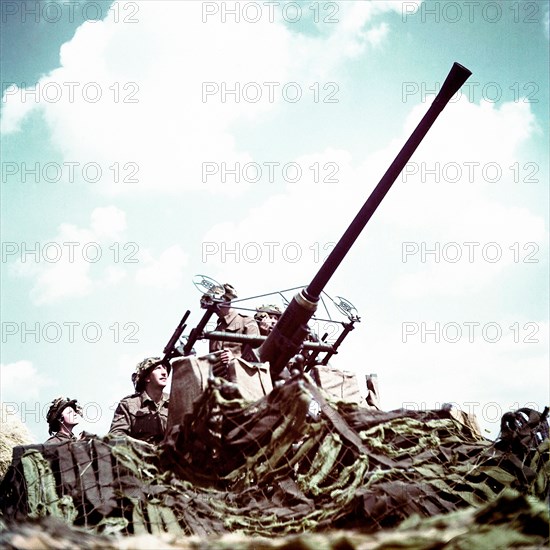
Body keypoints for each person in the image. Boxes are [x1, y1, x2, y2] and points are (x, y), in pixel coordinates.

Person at [109, 357, 170, 445]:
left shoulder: (174, 402)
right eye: (158, 368)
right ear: (147, 378)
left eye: (165, 368)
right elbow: (116, 436)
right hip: (140, 455)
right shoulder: (129, 404)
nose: (164, 373)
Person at [207, 284, 260, 376]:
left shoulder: (246, 321)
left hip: (242, 377)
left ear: (225, 301)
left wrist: (235, 359)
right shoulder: (216, 330)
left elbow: (257, 354)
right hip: (219, 381)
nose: (213, 308)